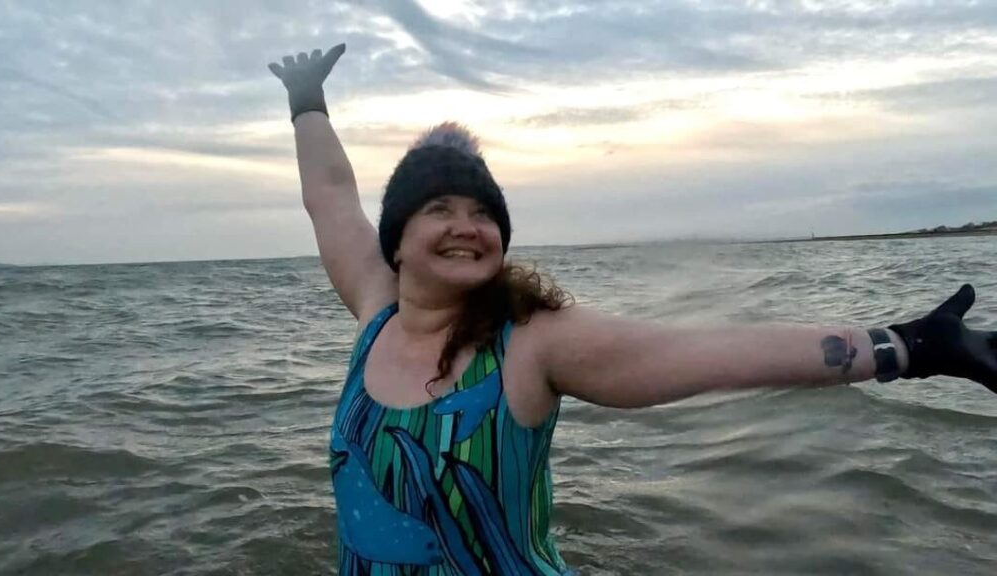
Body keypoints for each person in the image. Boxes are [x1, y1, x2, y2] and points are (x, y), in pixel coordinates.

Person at [269, 45, 997, 575]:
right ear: (396, 238)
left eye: (482, 211)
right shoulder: (375, 314)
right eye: (439, 208)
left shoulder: (531, 344)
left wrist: (909, 347)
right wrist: (307, 102)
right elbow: (331, 198)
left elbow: (713, 355)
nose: (467, 224)